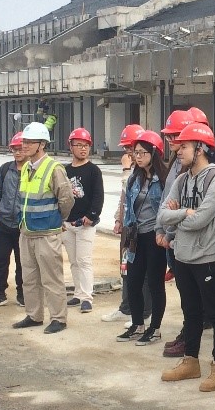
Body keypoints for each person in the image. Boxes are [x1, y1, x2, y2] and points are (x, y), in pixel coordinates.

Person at [157, 122, 215, 392]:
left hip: (207, 257)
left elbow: (201, 220)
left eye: (184, 146)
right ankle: (191, 360)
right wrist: (183, 213)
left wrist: (178, 217)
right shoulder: (181, 179)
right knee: (190, 311)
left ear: (200, 148)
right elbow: (162, 215)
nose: (177, 151)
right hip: (182, 256)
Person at [11, 122, 76, 334]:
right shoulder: (26, 168)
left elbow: (66, 199)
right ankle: (34, 315)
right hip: (26, 231)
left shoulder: (54, 168)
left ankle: (58, 318)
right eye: (24, 141)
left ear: (42, 144)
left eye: (30, 142)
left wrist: (57, 220)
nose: (25, 145)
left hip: (47, 233)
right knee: (29, 278)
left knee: (52, 278)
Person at [117, 130, 169, 345]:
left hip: (155, 237)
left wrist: (165, 234)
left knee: (155, 284)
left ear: (154, 153)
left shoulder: (164, 179)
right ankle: (138, 324)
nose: (137, 157)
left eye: (142, 153)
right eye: (135, 153)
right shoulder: (134, 178)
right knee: (133, 281)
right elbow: (128, 205)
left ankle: (155, 328)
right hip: (136, 237)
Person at [157, 109, 192, 357]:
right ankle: (188, 332)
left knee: (191, 294)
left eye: (175, 136)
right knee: (184, 290)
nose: (171, 141)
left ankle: (190, 337)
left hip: (182, 238)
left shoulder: (193, 170)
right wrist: (162, 230)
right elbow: (166, 201)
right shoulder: (175, 164)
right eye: (168, 136)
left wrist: (168, 233)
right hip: (171, 236)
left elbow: (182, 209)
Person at [105, 123, 144, 324]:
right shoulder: (132, 169)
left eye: (131, 148)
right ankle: (126, 306)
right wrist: (118, 218)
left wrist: (126, 169)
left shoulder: (144, 171)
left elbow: (130, 191)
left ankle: (143, 311)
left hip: (141, 228)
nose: (129, 153)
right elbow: (123, 198)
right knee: (125, 267)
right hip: (128, 227)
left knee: (141, 272)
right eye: (127, 148)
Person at [62, 127, 104, 314]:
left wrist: (91, 215)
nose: (83, 148)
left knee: (84, 260)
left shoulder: (93, 171)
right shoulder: (64, 170)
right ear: (70, 147)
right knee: (73, 261)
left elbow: (98, 196)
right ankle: (78, 293)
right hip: (67, 224)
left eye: (86, 145)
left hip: (85, 224)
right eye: (78, 145)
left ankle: (87, 297)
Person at [0, 132, 26, 309]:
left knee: (23, 263)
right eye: (15, 149)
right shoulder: (5, 169)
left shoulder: (33, 171)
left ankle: (23, 294)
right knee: (1, 261)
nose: (18, 152)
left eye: (21, 148)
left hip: (24, 226)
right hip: (4, 223)